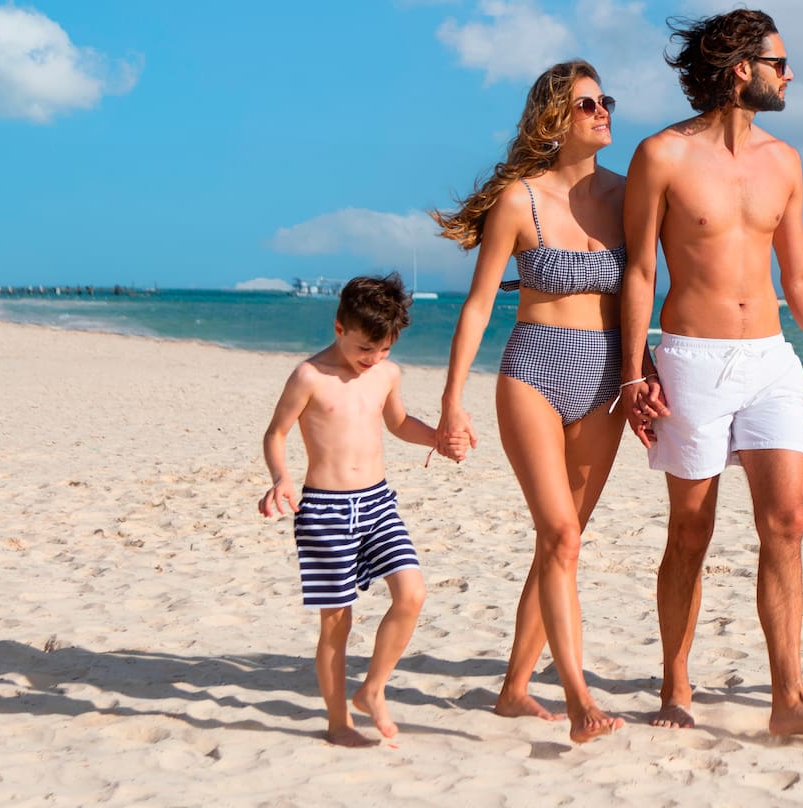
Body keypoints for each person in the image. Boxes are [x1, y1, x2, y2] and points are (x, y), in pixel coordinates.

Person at [616, 8, 803, 736]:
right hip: (691, 359)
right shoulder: (661, 155)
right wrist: (635, 373)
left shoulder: (783, 161)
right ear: (740, 70)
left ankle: (789, 699)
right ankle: (675, 683)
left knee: (786, 522)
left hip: (769, 359)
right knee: (690, 531)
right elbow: (638, 270)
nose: (789, 75)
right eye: (779, 63)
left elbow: (801, 274)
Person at [431, 60, 632, 743]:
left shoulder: (631, 197)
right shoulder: (520, 200)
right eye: (587, 104)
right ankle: (577, 696)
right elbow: (481, 304)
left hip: (605, 377)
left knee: (561, 545)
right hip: (534, 371)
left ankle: (514, 689)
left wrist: (649, 370)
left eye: (605, 100)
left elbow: (647, 292)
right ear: (554, 118)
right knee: (562, 534)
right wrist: (451, 402)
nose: (603, 111)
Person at [258, 273, 438, 747]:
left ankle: (372, 689)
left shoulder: (387, 373)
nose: (373, 359)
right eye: (365, 349)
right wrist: (281, 477)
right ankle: (339, 722)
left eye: (384, 350)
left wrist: (437, 437)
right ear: (339, 328)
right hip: (325, 510)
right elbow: (275, 433)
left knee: (412, 594)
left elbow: (398, 423)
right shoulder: (309, 376)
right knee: (337, 620)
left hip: (378, 503)